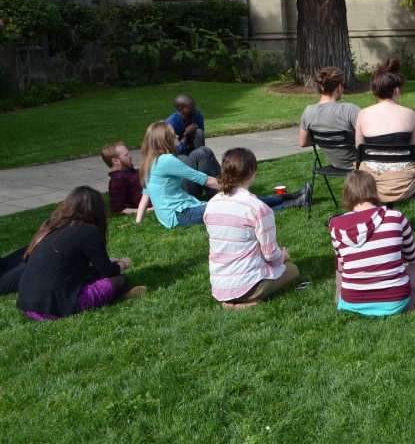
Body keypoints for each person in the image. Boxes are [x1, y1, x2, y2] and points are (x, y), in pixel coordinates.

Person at [135, 121, 309, 229]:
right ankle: (294, 202)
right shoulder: (165, 161)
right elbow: (205, 179)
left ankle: (293, 197)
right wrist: (239, 192)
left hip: (176, 213)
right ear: (164, 139)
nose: (177, 135)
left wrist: (137, 222)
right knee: (239, 205)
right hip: (180, 214)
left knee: (240, 202)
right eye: (172, 134)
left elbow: (145, 196)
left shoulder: (148, 161)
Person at [16, 186, 146, 320]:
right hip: (54, 309)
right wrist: (123, 263)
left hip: (27, 304)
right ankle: (119, 295)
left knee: (93, 273)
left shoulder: (51, 227)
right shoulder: (89, 231)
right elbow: (108, 273)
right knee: (121, 280)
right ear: (97, 211)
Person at [330, 171, 415, 316]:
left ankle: (348, 296)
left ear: (347, 194)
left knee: (340, 267)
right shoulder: (395, 217)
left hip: (351, 302)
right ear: (374, 190)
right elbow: (412, 258)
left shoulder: (335, 224)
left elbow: (342, 267)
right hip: (396, 302)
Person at [203, 148, 301, 309]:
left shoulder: (212, 203)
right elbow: (271, 255)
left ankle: (232, 301)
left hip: (219, 284)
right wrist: (283, 256)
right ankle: (248, 302)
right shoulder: (257, 208)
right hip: (248, 283)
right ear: (251, 172)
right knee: (292, 270)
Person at [354, 57, 415, 232]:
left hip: (371, 184)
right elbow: (414, 151)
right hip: (403, 182)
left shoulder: (363, 114)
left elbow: (359, 150)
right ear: (397, 90)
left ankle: (363, 224)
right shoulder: (410, 114)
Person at [298, 65, 361, 170]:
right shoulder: (349, 110)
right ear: (339, 87)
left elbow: (303, 142)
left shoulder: (308, 112)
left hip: (337, 164)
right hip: (360, 164)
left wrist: (325, 140)